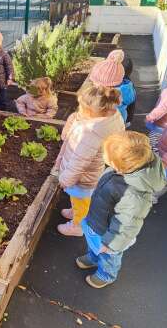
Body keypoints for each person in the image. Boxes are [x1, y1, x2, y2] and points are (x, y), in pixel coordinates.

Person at [77, 131, 166, 288]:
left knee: (109, 256)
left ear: (121, 166)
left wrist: (111, 244)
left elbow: (126, 224)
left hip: (111, 234)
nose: (107, 163)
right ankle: (93, 257)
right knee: (95, 244)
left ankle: (106, 274)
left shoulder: (133, 194)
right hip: (99, 222)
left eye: (109, 161)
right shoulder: (126, 169)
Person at [52, 84, 125, 237]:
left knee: (81, 200)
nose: (79, 109)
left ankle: (78, 226)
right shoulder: (111, 116)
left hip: (82, 177)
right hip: (90, 172)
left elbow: (79, 161)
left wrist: (65, 178)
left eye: (82, 107)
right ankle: (75, 211)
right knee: (79, 200)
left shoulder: (91, 133)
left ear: (93, 111)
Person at [88, 49, 136, 124]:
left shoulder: (107, 95)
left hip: (108, 123)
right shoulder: (128, 87)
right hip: (122, 119)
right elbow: (132, 106)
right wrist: (128, 120)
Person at [122, 55, 135, 127]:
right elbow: (132, 104)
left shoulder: (109, 84)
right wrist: (129, 119)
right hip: (124, 119)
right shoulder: (129, 85)